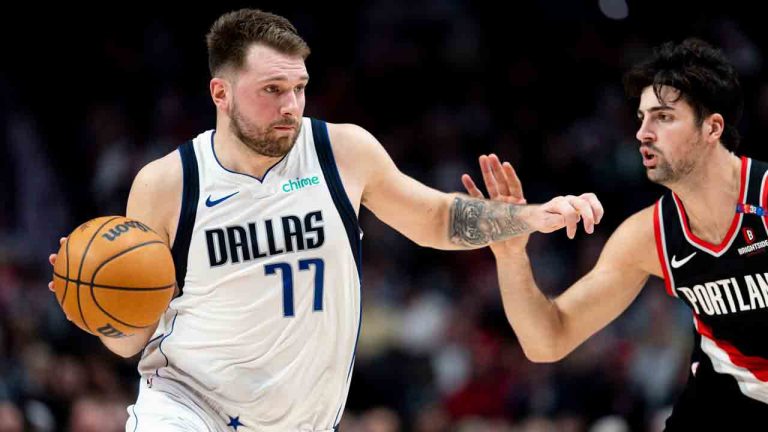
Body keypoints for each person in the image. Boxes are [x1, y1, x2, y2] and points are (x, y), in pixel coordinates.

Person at [47, 9, 602, 432]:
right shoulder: (167, 184)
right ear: (220, 92)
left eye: (299, 88)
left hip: (303, 420)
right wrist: (101, 311)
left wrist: (529, 217)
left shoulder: (343, 151)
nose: (292, 105)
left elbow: (434, 217)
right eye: (272, 90)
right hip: (188, 407)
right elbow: (129, 342)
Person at [462, 38, 768, 430]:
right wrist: (510, 256)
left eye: (663, 117)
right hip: (724, 406)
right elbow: (547, 341)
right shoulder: (647, 235)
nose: (643, 132)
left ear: (712, 127)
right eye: (641, 118)